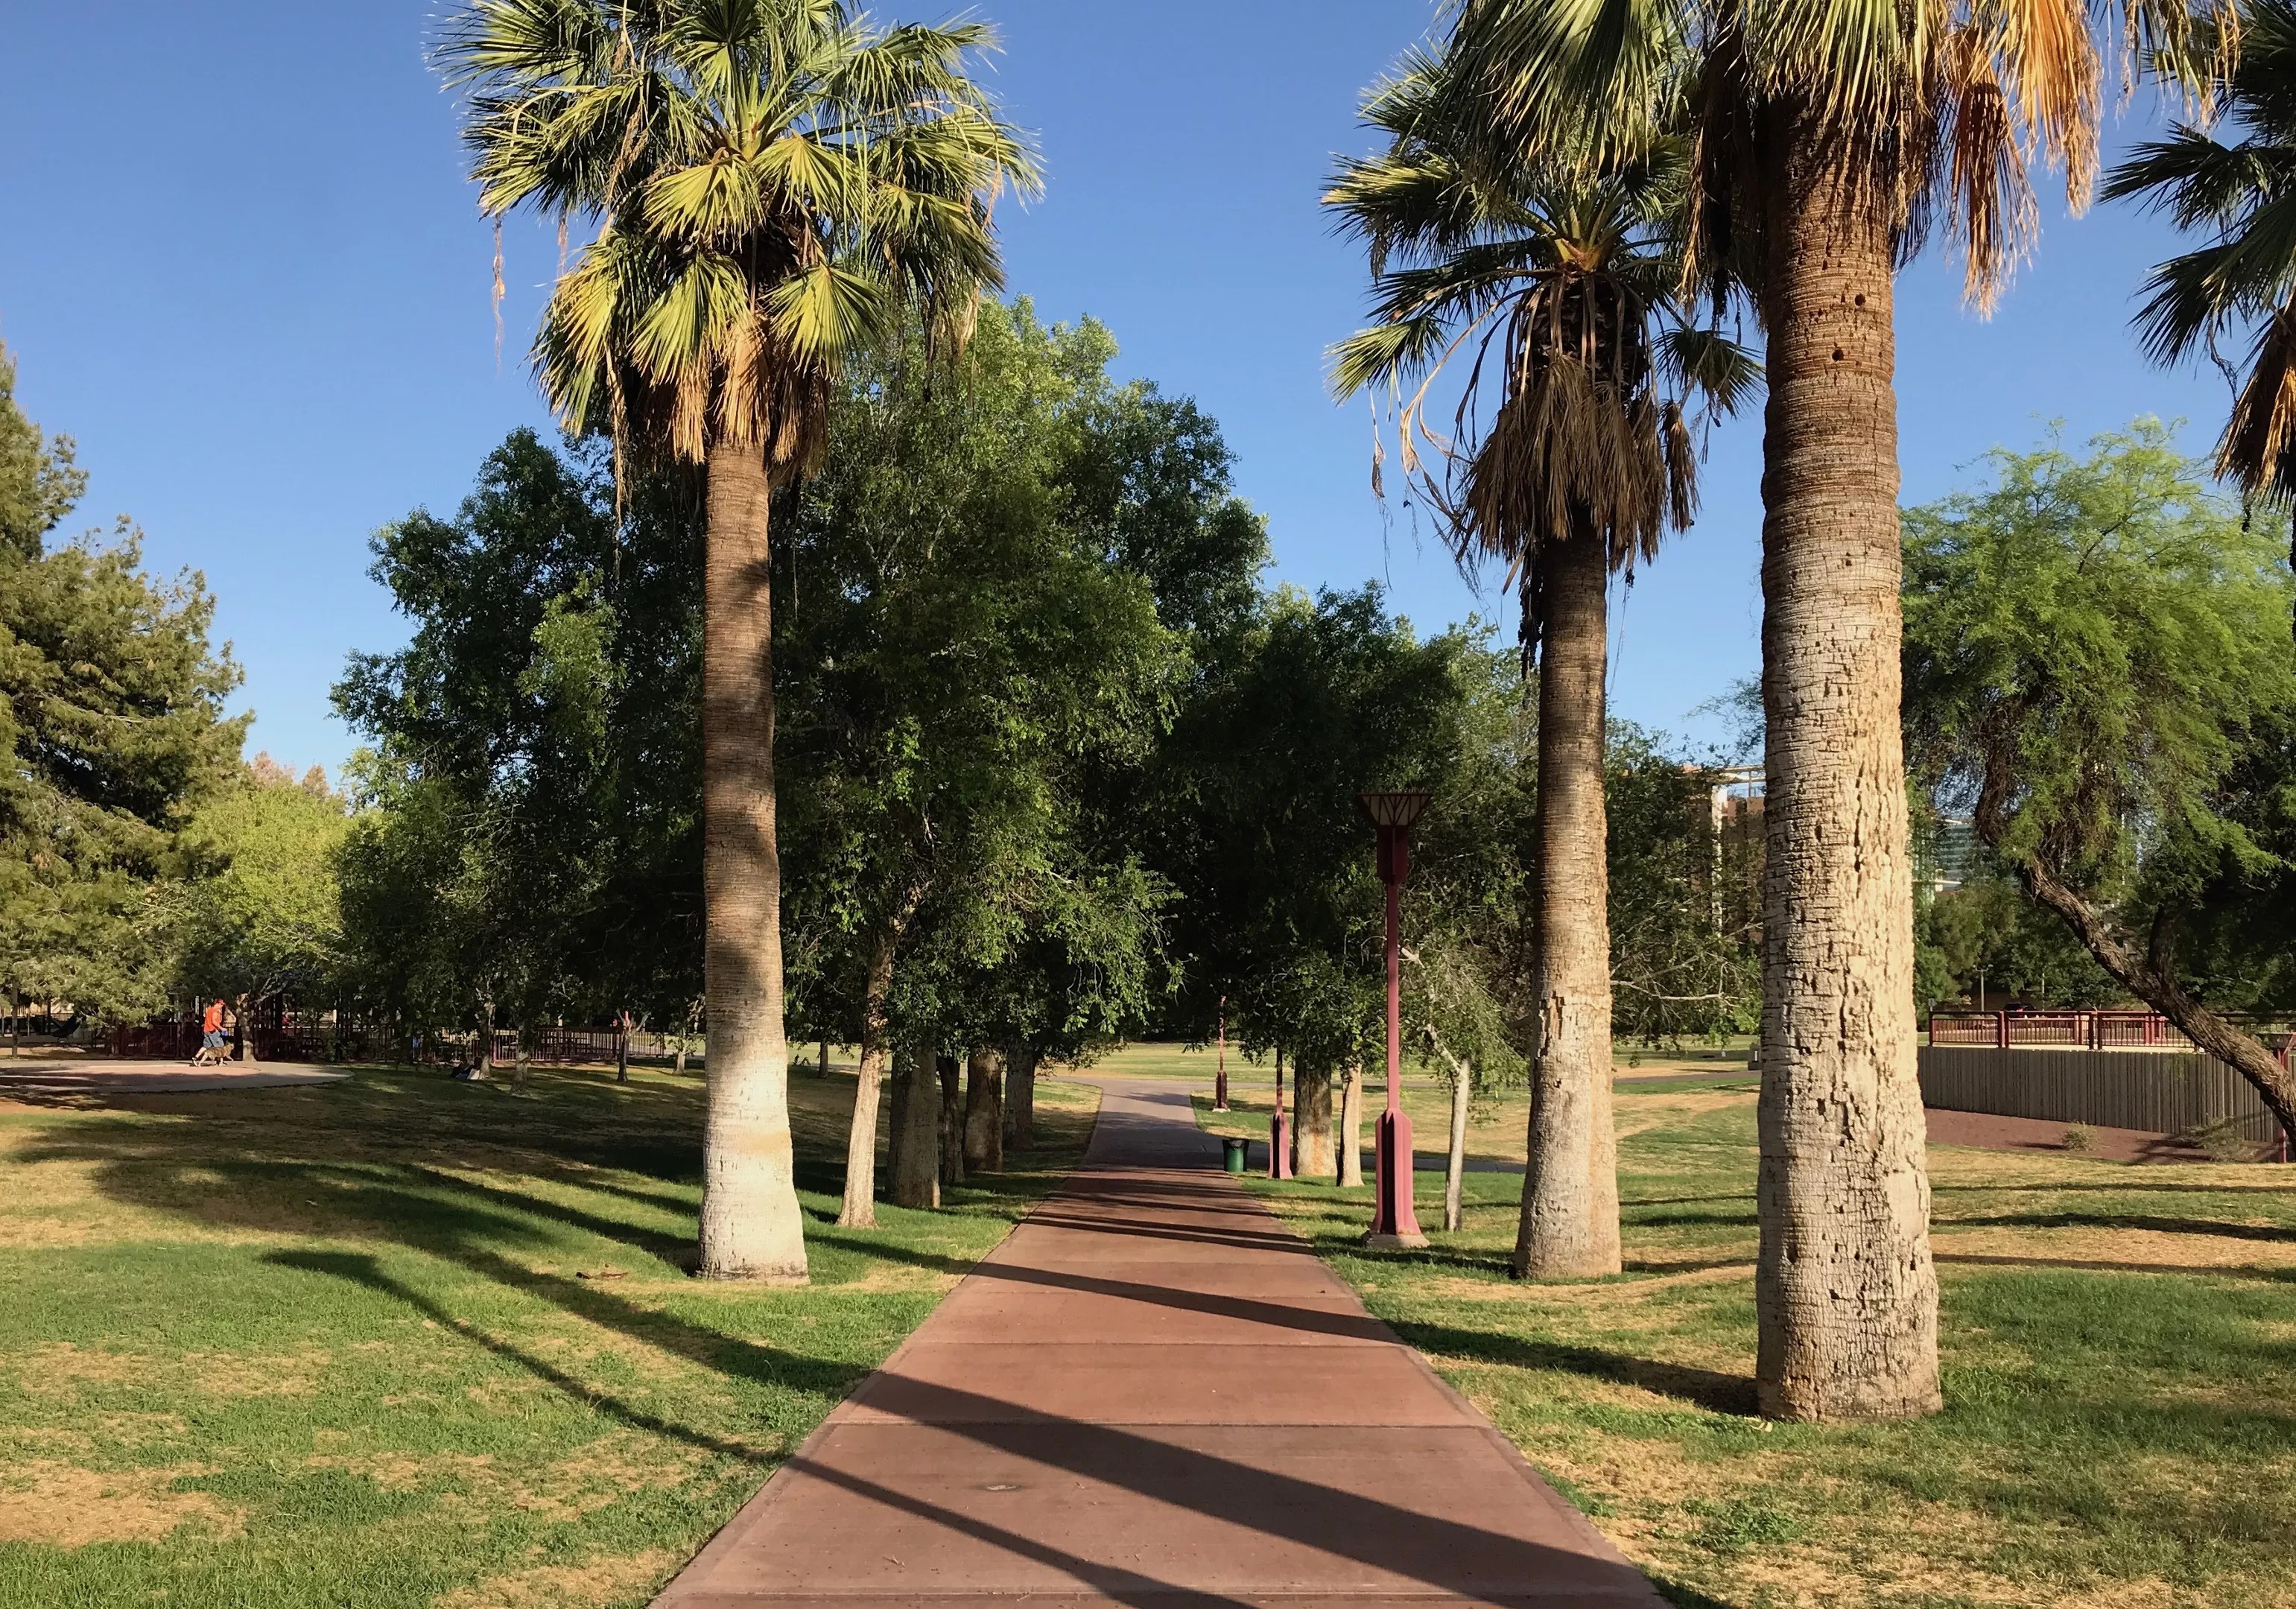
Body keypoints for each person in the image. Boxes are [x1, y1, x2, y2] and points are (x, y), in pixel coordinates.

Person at [191, 999, 226, 1067]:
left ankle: (195, 1058)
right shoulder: (215, 1011)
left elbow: (207, 1015)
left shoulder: (209, 1009)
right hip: (213, 1031)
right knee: (220, 1046)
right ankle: (220, 1062)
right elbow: (214, 1021)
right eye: (221, 1004)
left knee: (206, 1046)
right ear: (217, 1004)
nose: (222, 1006)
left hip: (207, 1030)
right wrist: (221, 1028)